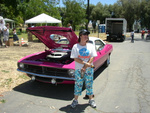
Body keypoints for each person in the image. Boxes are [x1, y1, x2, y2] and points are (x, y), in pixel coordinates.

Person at [70, 29, 97, 108]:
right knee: (78, 84)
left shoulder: (91, 46)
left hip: (88, 69)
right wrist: (85, 64)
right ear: (80, 36)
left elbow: (92, 56)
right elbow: (75, 58)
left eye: (87, 35)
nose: (86, 36)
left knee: (89, 84)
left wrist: (85, 67)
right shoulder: (75, 46)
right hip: (79, 69)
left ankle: (91, 100)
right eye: (84, 35)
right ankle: (75, 100)